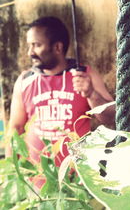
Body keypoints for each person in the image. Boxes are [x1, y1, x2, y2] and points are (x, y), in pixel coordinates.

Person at [6, 16, 115, 171]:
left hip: (76, 178)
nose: (30, 52)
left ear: (57, 47)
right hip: (37, 181)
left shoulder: (84, 75)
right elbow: (15, 128)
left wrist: (91, 94)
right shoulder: (25, 80)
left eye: (36, 45)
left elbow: (111, 118)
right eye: (29, 46)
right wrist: (11, 171)